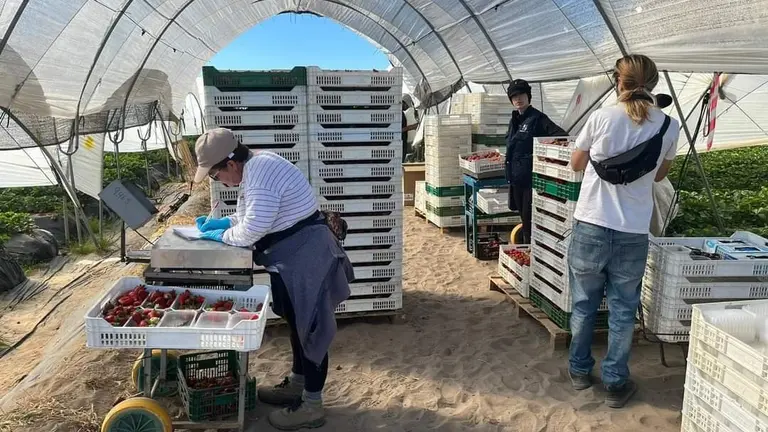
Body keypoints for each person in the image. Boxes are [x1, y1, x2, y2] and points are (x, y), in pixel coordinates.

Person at [192, 128, 354, 430]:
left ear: (231, 164)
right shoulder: (254, 169)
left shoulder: (261, 172)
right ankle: (298, 383)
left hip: (306, 260)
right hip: (289, 259)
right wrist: (224, 222)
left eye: (215, 176)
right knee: (296, 323)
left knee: (311, 330)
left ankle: (312, 406)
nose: (219, 183)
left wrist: (222, 235)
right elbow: (248, 214)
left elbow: (252, 229)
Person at [566, 54, 680, 408]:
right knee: (623, 308)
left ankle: (580, 371)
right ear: (654, 83)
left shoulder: (601, 118)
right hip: (632, 230)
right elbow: (660, 175)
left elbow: (576, 164)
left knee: (584, 304)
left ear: (619, 81)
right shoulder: (668, 126)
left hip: (592, 225)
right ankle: (616, 381)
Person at [504, 79, 567, 243]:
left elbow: (561, 136)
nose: (518, 99)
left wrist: (542, 152)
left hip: (531, 179)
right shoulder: (515, 119)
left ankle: (531, 248)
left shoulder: (538, 118)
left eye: (522, 95)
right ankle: (526, 245)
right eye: (514, 96)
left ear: (528, 96)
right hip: (516, 178)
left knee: (530, 217)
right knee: (523, 216)